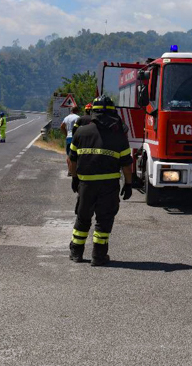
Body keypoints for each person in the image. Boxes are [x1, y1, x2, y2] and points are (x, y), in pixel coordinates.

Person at [67, 95, 132, 266]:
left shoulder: (81, 132)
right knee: (104, 220)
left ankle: (76, 252)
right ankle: (98, 256)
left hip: (86, 185)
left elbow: (71, 160)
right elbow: (126, 164)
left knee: (83, 218)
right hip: (109, 186)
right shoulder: (119, 135)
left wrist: (74, 178)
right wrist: (129, 183)